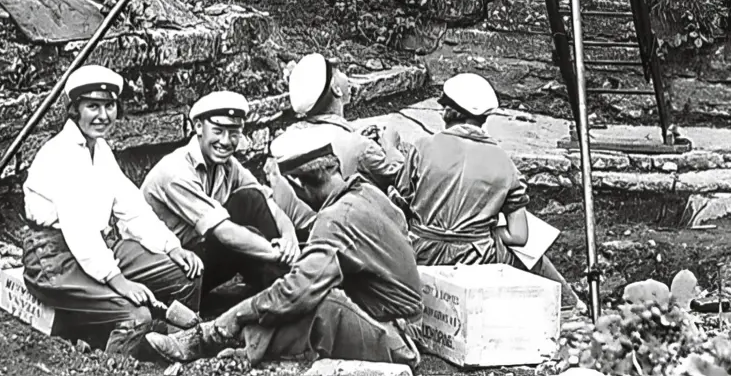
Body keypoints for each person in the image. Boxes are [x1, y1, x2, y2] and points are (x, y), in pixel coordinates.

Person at [147, 127, 424, 367]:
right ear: (334, 165)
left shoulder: (335, 219)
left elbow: (294, 293)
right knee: (303, 294)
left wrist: (238, 313)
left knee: (310, 304)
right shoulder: (368, 192)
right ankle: (216, 338)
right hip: (405, 322)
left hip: (394, 339)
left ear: (296, 184)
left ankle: (209, 338)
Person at [21, 64, 204, 354]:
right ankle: (111, 363)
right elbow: (78, 229)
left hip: (96, 249)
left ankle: (177, 347)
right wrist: (118, 280)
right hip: (54, 259)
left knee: (184, 274)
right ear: (74, 110)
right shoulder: (61, 154)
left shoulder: (100, 149)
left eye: (109, 106)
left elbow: (131, 206)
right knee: (136, 317)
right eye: (92, 106)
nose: (103, 115)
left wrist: (171, 247)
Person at [393, 73, 570, 291]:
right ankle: (570, 305)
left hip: (421, 253)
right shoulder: (505, 163)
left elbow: (400, 206)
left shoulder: (422, 147)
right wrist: (490, 233)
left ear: (448, 111)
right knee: (534, 259)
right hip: (475, 258)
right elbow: (519, 236)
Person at [141, 91, 301, 299]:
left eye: (234, 133)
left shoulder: (227, 165)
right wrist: (277, 253)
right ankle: (286, 288)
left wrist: (289, 237)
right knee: (248, 235)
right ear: (199, 127)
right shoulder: (175, 171)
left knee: (250, 199)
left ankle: (283, 282)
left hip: (199, 254)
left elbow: (265, 200)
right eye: (218, 130)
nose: (226, 141)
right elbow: (223, 232)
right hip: (173, 270)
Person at [269, 53, 406, 232]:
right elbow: (400, 176)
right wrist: (391, 144)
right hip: (356, 228)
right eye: (339, 71)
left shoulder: (291, 136)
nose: (345, 75)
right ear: (337, 89)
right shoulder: (358, 145)